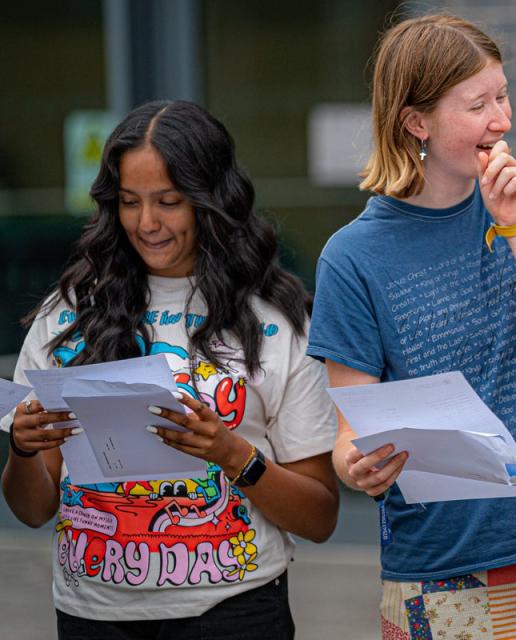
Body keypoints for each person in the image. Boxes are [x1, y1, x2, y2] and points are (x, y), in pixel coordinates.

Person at [308, 14, 516, 640]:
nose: (501, 120)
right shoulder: (352, 256)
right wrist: (355, 467)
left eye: (502, 96)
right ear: (415, 121)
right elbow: (351, 432)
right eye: (477, 104)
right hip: (439, 567)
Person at [1, 100, 339, 639]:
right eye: (130, 203)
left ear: (213, 202)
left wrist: (230, 453)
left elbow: (320, 517)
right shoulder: (66, 315)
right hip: (94, 617)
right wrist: (22, 449)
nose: (147, 223)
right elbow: (34, 509)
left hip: (234, 613)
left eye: (169, 202)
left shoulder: (274, 321)